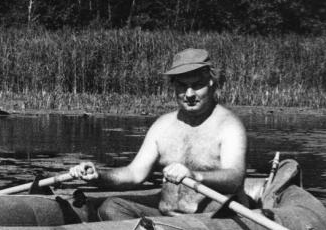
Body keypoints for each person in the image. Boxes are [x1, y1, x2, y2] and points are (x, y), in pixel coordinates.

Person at [69, 48, 247, 220]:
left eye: (197, 85)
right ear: (174, 86)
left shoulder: (229, 125)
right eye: (182, 86)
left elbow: (235, 177)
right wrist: (98, 176)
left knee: (222, 208)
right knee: (112, 207)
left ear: (211, 83)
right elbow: (134, 174)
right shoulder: (163, 125)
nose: (189, 94)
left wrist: (195, 176)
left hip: (208, 218)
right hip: (166, 214)